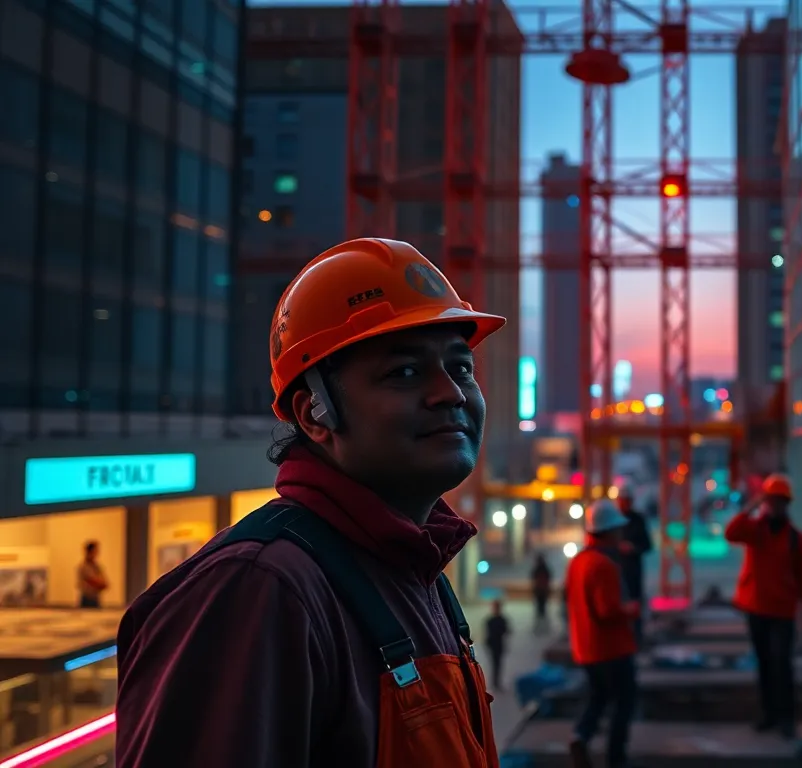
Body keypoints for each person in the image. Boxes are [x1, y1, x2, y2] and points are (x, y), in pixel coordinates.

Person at [114, 238, 507, 768]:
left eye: (461, 368)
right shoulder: (258, 591)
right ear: (315, 413)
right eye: (406, 373)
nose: (452, 393)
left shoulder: (418, 575)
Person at [724, 473, 802, 739]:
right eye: (771, 501)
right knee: (764, 663)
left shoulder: (795, 539)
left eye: (779, 501)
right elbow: (731, 532)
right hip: (757, 609)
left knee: (781, 664)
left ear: (786, 504)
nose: (775, 506)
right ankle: (769, 715)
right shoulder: (755, 530)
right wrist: (752, 505)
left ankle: (786, 717)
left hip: (782, 611)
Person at [566, 500, 641, 768]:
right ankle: (615, 759)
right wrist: (632, 609)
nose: (622, 533)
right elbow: (608, 611)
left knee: (598, 698)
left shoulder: (579, 562)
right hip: (612, 650)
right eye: (618, 529)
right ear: (608, 532)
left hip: (586, 649)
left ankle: (581, 735)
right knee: (624, 704)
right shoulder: (603, 565)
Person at [614, 489, 653, 644]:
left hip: (633, 570)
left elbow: (647, 545)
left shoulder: (638, 520)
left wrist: (633, 548)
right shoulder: (614, 520)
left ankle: (636, 638)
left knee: (635, 603)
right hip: (617, 570)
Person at [484, 599, 511, 690]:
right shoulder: (500, 620)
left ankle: (496, 682)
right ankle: (496, 682)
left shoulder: (491, 620)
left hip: (495, 644)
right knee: (496, 664)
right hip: (496, 644)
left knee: (496, 664)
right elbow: (506, 631)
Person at [77, 540, 109, 609]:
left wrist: (102, 583)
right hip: (87, 599)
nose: (97, 553)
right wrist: (101, 583)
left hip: (95, 599)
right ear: (90, 552)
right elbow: (94, 581)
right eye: (95, 551)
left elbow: (105, 582)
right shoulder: (84, 566)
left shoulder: (96, 566)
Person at [531, 553, 553, 627]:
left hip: (540, 590)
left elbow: (533, 578)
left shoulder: (538, 569)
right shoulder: (544, 568)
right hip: (542, 590)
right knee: (542, 606)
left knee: (540, 606)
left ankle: (541, 620)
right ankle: (541, 620)